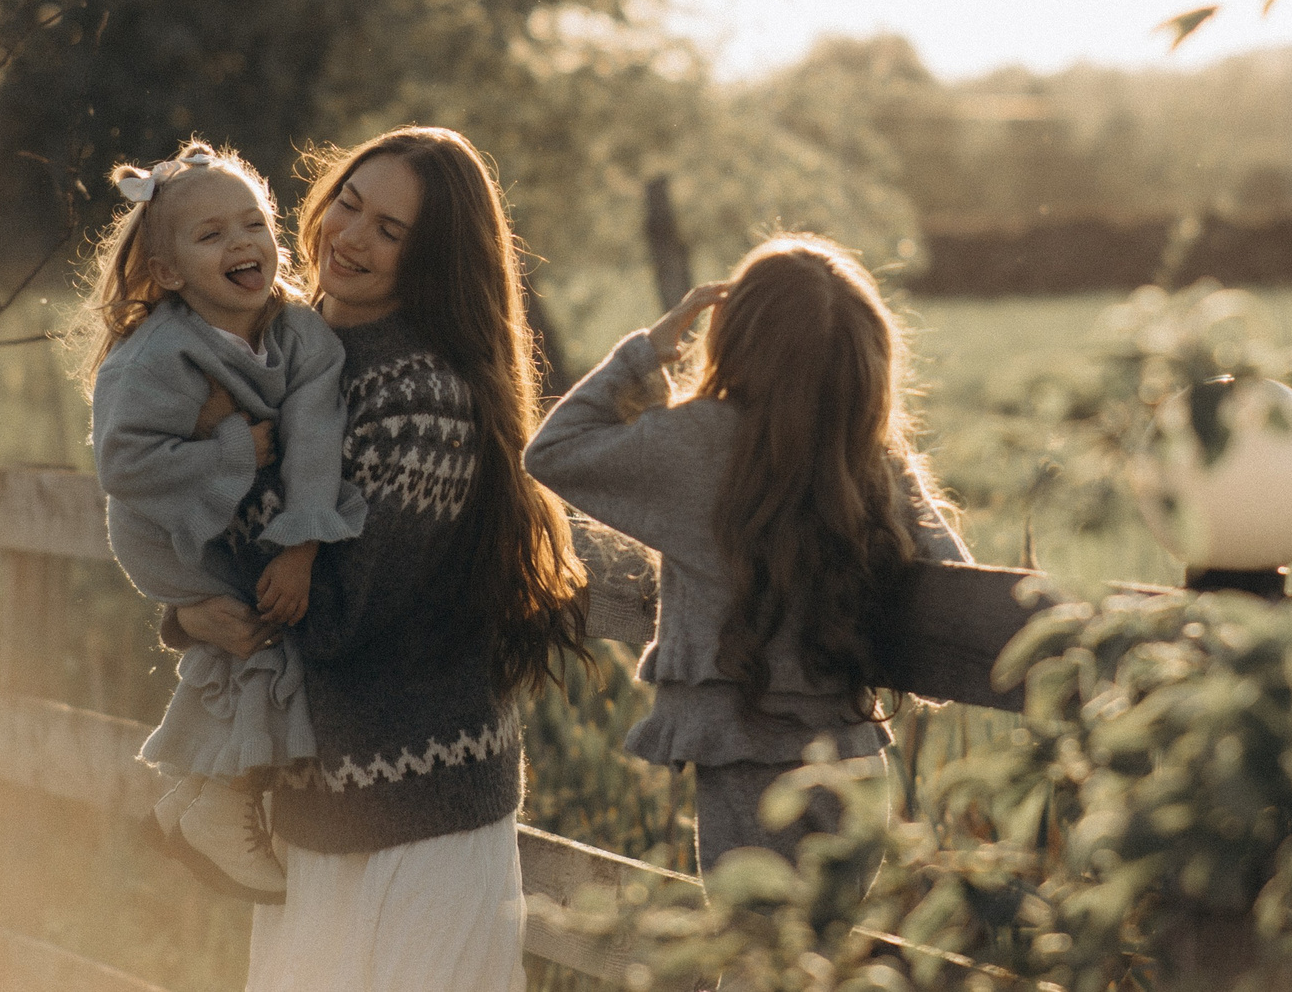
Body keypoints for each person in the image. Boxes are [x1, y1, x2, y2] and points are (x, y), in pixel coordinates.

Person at [167, 126, 588, 992]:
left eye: (390, 230)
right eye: (349, 205)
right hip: (311, 818)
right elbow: (187, 534)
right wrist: (182, 607)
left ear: (430, 257)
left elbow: (331, 617)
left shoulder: (424, 400)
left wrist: (227, 454)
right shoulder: (274, 348)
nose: (351, 238)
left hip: (420, 821)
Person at [525, 234, 970, 877]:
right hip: (857, 766)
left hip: (747, 765)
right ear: (865, 361)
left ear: (736, 340)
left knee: (754, 959)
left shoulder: (702, 444)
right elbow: (954, 587)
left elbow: (553, 450)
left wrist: (647, 352)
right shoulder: (870, 460)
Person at [79, 140, 365, 897]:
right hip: (163, 531)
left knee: (264, 624)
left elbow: (315, 433)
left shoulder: (299, 331)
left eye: (253, 224)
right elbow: (125, 467)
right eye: (212, 235)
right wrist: (239, 443)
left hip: (242, 519)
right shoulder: (158, 355)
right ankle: (226, 803)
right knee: (261, 639)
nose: (242, 244)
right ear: (169, 272)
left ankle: (191, 800)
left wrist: (303, 542)